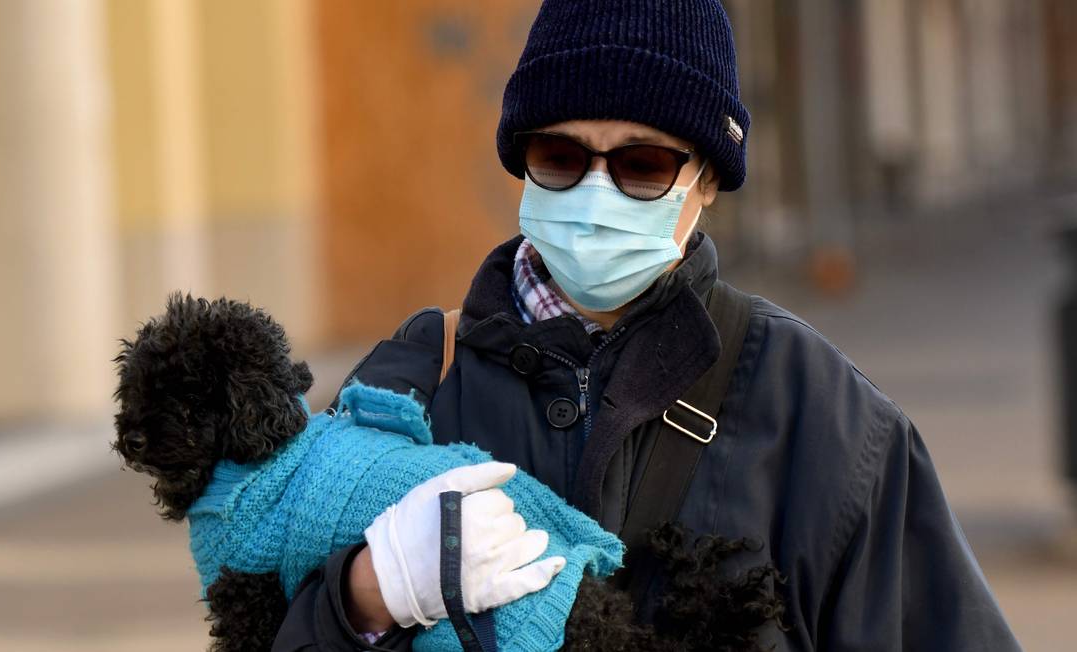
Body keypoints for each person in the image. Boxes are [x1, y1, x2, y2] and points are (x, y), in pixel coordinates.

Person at [273, 1, 1022, 650]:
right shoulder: (407, 388)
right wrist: (362, 600)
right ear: (523, 162)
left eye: (643, 165)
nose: (596, 189)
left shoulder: (822, 416)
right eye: (560, 155)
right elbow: (262, 619)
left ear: (708, 182)